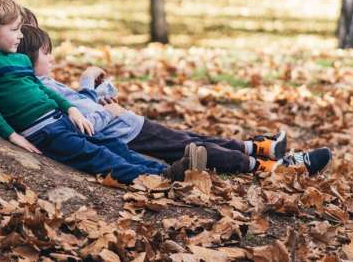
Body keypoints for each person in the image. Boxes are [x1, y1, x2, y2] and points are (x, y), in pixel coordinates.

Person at [17, 23, 333, 177]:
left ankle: (260, 148)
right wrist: (93, 91)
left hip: (128, 124)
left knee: (193, 138)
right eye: (47, 53)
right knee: (197, 149)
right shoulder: (39, 88)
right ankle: (276, 168)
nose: (53, 58)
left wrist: (97, 95)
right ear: (29, 59)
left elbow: (83, 107)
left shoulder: (42, 82)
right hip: (125, 134)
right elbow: (84, 119)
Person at [0, 0, 208, 184]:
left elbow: (43, 90)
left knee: (112, 146)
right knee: (96, 156)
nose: (20, 36)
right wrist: (12, 136)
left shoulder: (21, 60)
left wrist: (71, 110)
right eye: (14, 30)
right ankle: (155, 178)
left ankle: (166, 170)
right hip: (44, 132)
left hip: (62, 120)